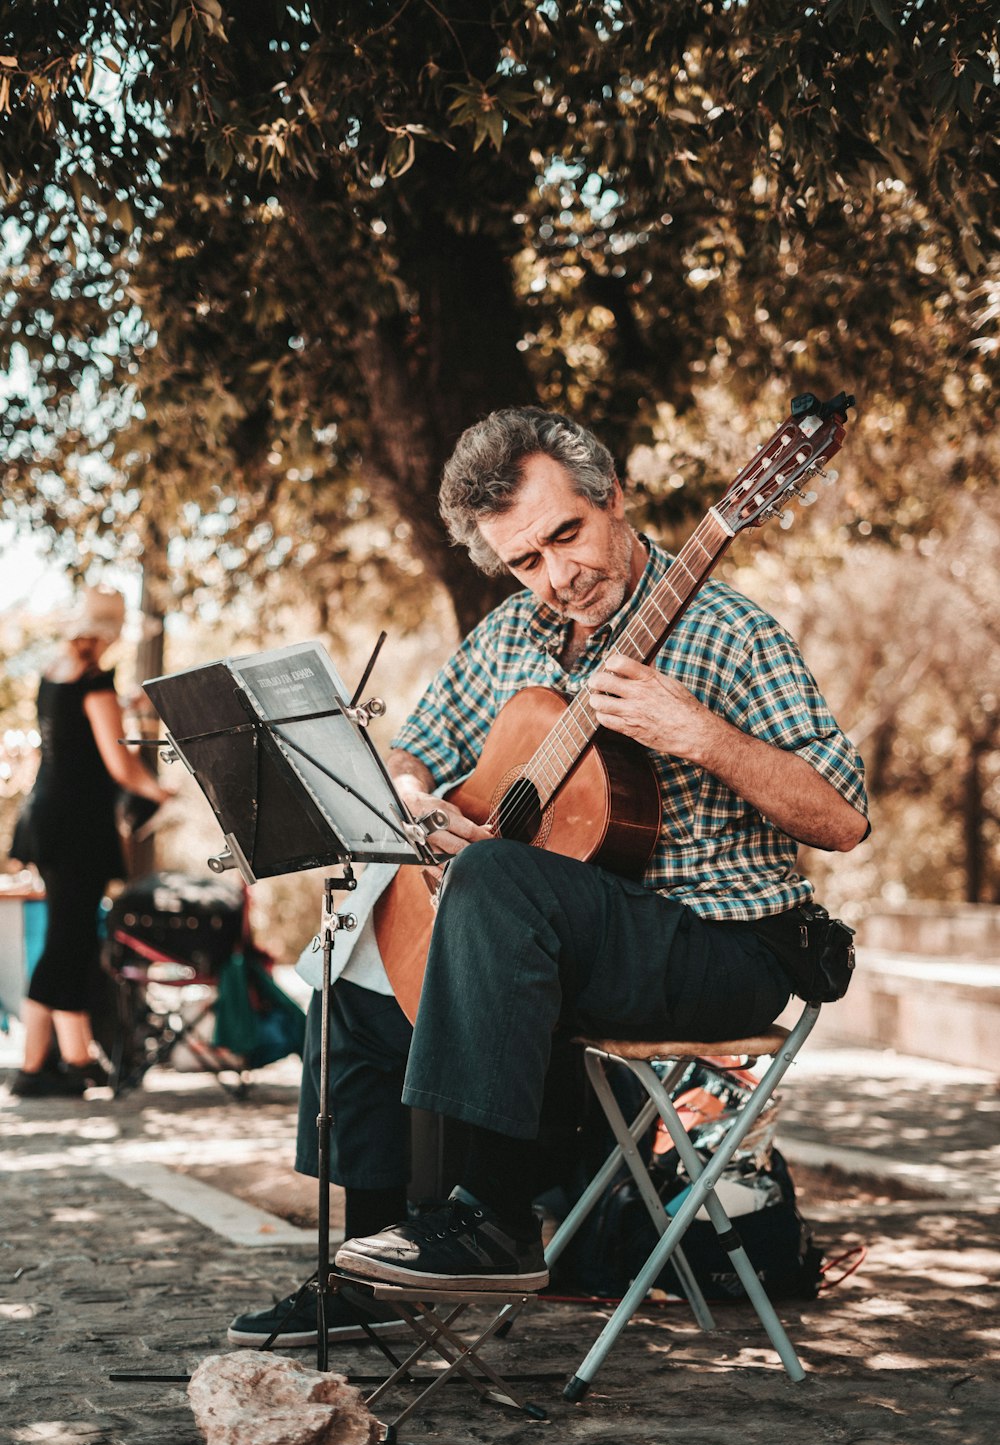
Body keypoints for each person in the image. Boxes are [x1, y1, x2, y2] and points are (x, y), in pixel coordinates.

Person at [228, 406, 868, 1343]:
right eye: (526, 560)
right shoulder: (510, 637)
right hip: (566, 937)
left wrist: (699, 734)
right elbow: (414, 752)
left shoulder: (731, 631)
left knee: (494, 877)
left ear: (614, 496)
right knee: (359, 951)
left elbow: (843, 816)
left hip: (719, 942)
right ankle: (375, 1274)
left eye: (566, 534)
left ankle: (492, 1214)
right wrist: (413, 798)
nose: (557, 576)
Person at [6, 586, 172, 1099]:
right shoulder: (96, 684)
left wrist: (125, 703)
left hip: (46, 817)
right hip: (78, 829)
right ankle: (46, 1065)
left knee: (65, 939)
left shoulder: (55, 673)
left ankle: (61, 1060)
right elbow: (118, 760)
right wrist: (164, 789)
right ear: (111, 634)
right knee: (68, 943)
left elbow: (77, 735)